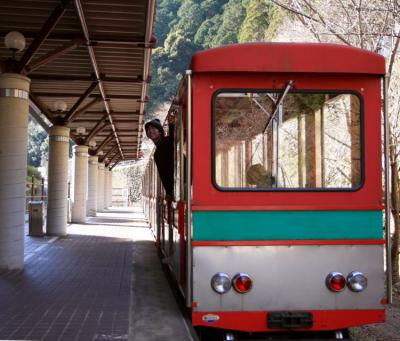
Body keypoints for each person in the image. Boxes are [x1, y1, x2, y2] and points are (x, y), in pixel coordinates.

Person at [145, 110, 176, 199]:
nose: (150, 131)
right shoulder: (157, 152)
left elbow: (173, 138)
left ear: (160, 132)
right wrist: (169, 191)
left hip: (180, 185)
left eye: (153, 128)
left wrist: (172, 124)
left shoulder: (167, 141)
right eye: (148, 130)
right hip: (174, 189)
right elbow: (164, 175)